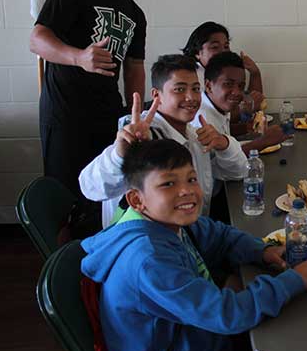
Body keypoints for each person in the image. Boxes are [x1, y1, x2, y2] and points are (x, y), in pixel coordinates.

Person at [81, 139, 307, 351]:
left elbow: (220, 235)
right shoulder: (147, 260)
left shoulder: (169, 221)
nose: (186, 191)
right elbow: (226, 315)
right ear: (137, 200)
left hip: (192, 336)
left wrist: (263, 251)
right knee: (291, 346)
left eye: (191, 179)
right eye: (168, 183)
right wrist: (296, 280)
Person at [29, 0, 149, 232]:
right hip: (66, 115)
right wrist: (78, 57)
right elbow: (37, 39)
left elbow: (135, 66)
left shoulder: (135, 13)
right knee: (66, 200)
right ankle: (63, 268)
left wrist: (134, 114)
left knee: (103, 197)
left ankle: (97, 268)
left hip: (107, 115)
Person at [79, 54, 247, 227]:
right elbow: (90, 187)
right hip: (146, 245)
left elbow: (239, 171)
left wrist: (223, 143)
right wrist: (119, 155)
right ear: (156, 95)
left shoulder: (195, 136)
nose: (191, 97)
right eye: (179, 89)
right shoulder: (143, 137)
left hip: (189, 236)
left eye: (196, 89)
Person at [193, 51, 286, 157]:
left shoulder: (218, 105)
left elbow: (223, 134)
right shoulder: (202, 119)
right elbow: (219, 164)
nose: (237, 92)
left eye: (241, 86)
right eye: (228, 84)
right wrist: (264, 141)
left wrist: (247, 128)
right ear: (208, 86)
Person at [182, 20, 263, 96]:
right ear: (197, 53)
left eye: (226, 46)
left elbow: (254, 102)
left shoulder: (225, 71)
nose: (223, 52)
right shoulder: (192, 77)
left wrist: (254, 73)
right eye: (215, 47)